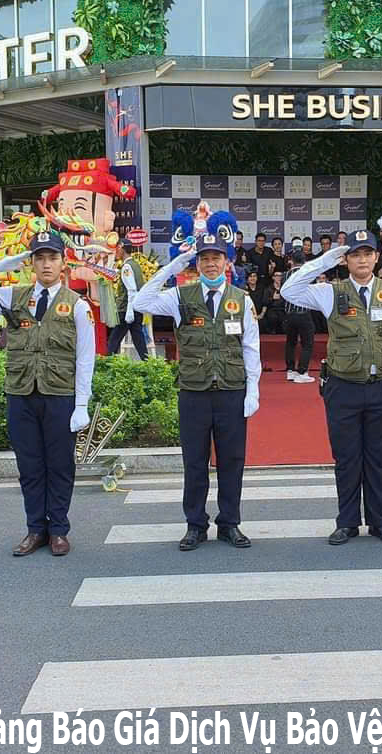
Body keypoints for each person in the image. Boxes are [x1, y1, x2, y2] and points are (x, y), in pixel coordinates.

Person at [0, 231, 94, 557]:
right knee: (29, 466)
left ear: (63, 262)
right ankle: (35, 529)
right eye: (39, 258)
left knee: (60, 466)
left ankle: (58, 530)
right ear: (30, 263)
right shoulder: (13, 297)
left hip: (59, 395)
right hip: (21, 394)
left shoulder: (77, 305)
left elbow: (85, 358)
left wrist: (81, 404)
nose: (46, 264)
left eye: (52, 258)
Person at [282, 230, 382, 546]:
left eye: (367, 253)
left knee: (380, 458)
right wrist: (324, 261)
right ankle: (347, 522)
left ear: (376, 257)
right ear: (346, 260)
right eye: (355, 254)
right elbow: (290, 291)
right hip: (343, 387)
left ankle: (380, 521)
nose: (362, 260)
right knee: (347, 458)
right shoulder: (331, 292)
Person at [134, 233, 261, 552]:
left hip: (231, 390)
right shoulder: (181, 296)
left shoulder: (241, 299)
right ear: (197, 263)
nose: (211, 263)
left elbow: (251, 347)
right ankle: (195, 524)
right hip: (194, 391)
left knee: (232, 461)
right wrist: (171, 267)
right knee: (194, 462)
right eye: (204, 258)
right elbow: (141, 302)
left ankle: (229, 523)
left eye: (216, 257)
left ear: (226, 262)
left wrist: (253, 390)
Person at [107, 239, 149, 360]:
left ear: (121, 248)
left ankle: (107, 364)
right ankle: (148, 363)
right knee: (138, 339)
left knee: (114, 340)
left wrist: (129, 311)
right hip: (136, 308)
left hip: (126, 309)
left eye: (117, 249)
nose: (116, 252)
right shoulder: (135, 264)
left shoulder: (127, 267)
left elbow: (131, 290)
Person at [284, 250, 316, 383]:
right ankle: (302, 372)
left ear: (292, 261)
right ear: (304, 261)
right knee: (307, 344)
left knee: (290, 343)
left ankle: (290, 371)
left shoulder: (286, 275)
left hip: (289, 314)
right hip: (303, 313)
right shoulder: (307, 274)